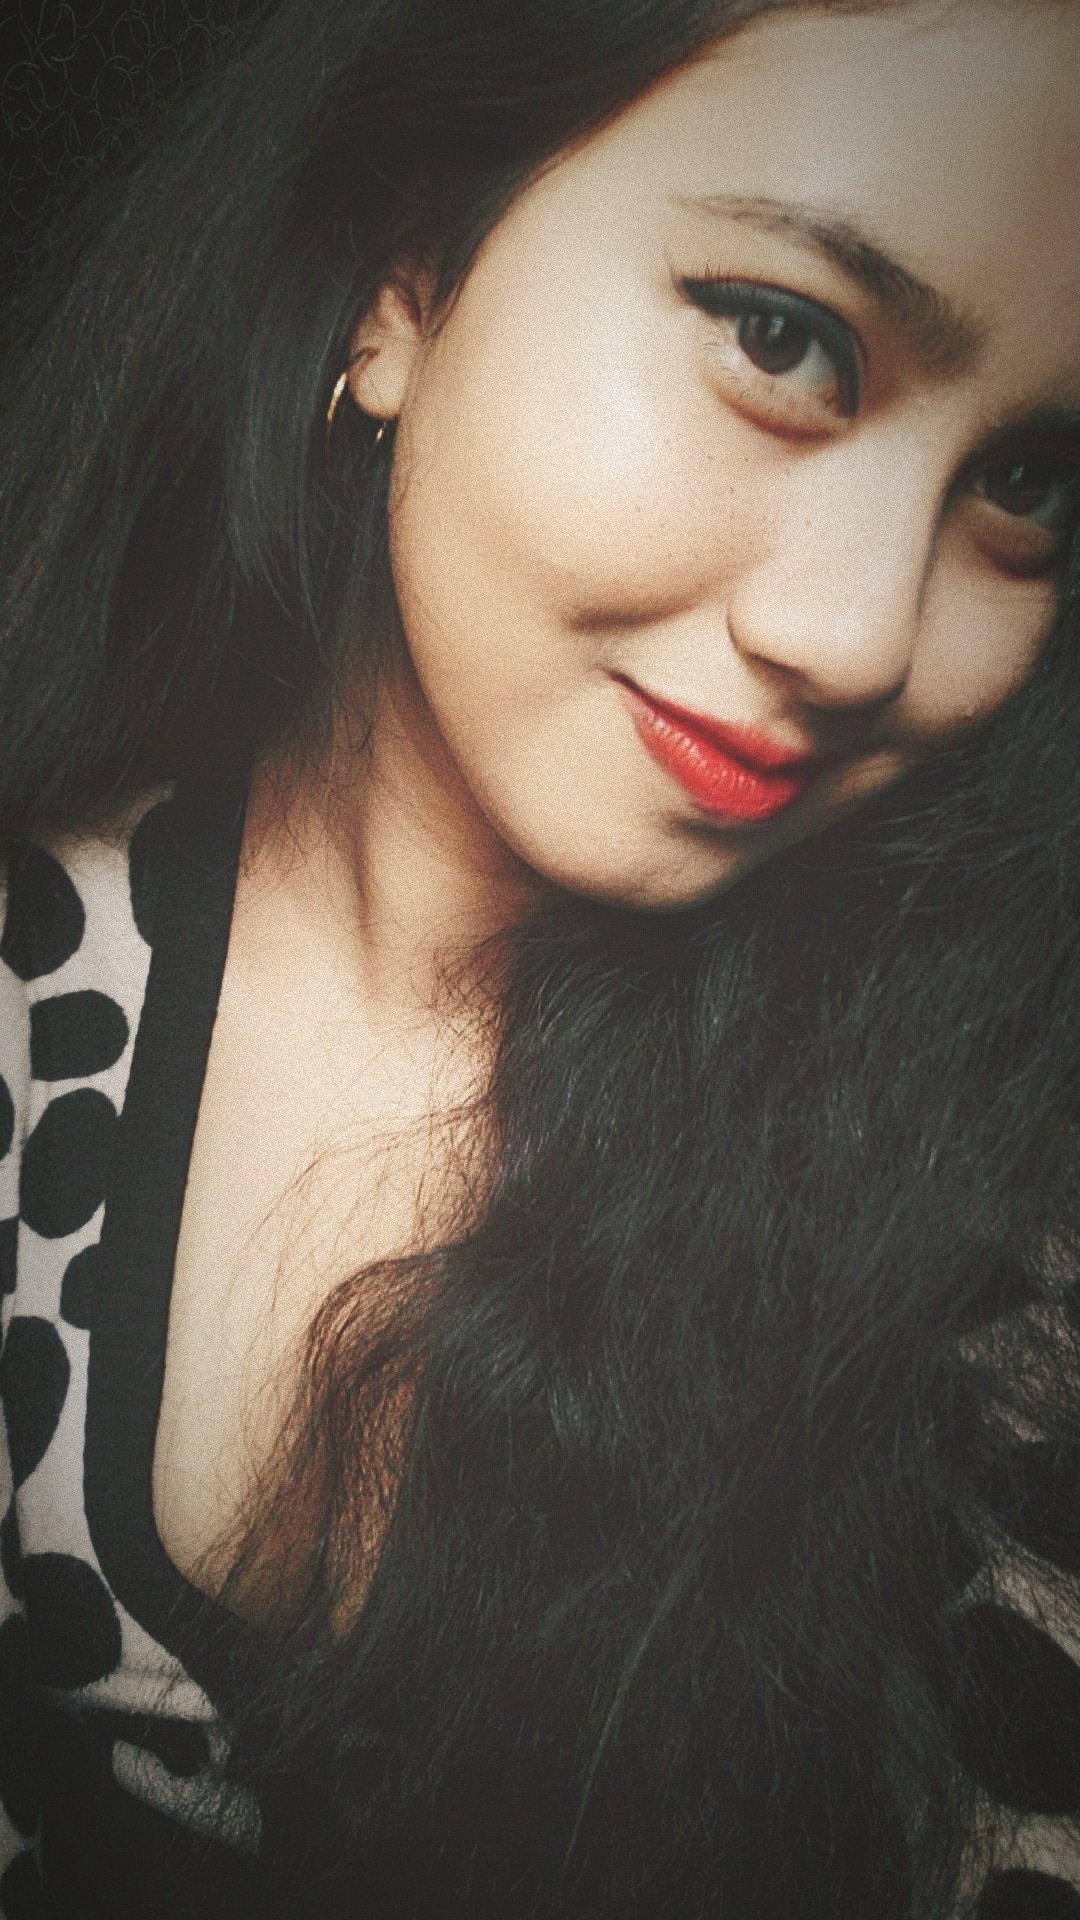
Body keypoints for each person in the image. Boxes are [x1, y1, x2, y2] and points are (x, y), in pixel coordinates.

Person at [1, 0, 1079, 1913]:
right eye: (783, 337)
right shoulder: (33, 991)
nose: (860, 634)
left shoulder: (995, 1230)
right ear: (405, 274)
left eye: (1029, 481)